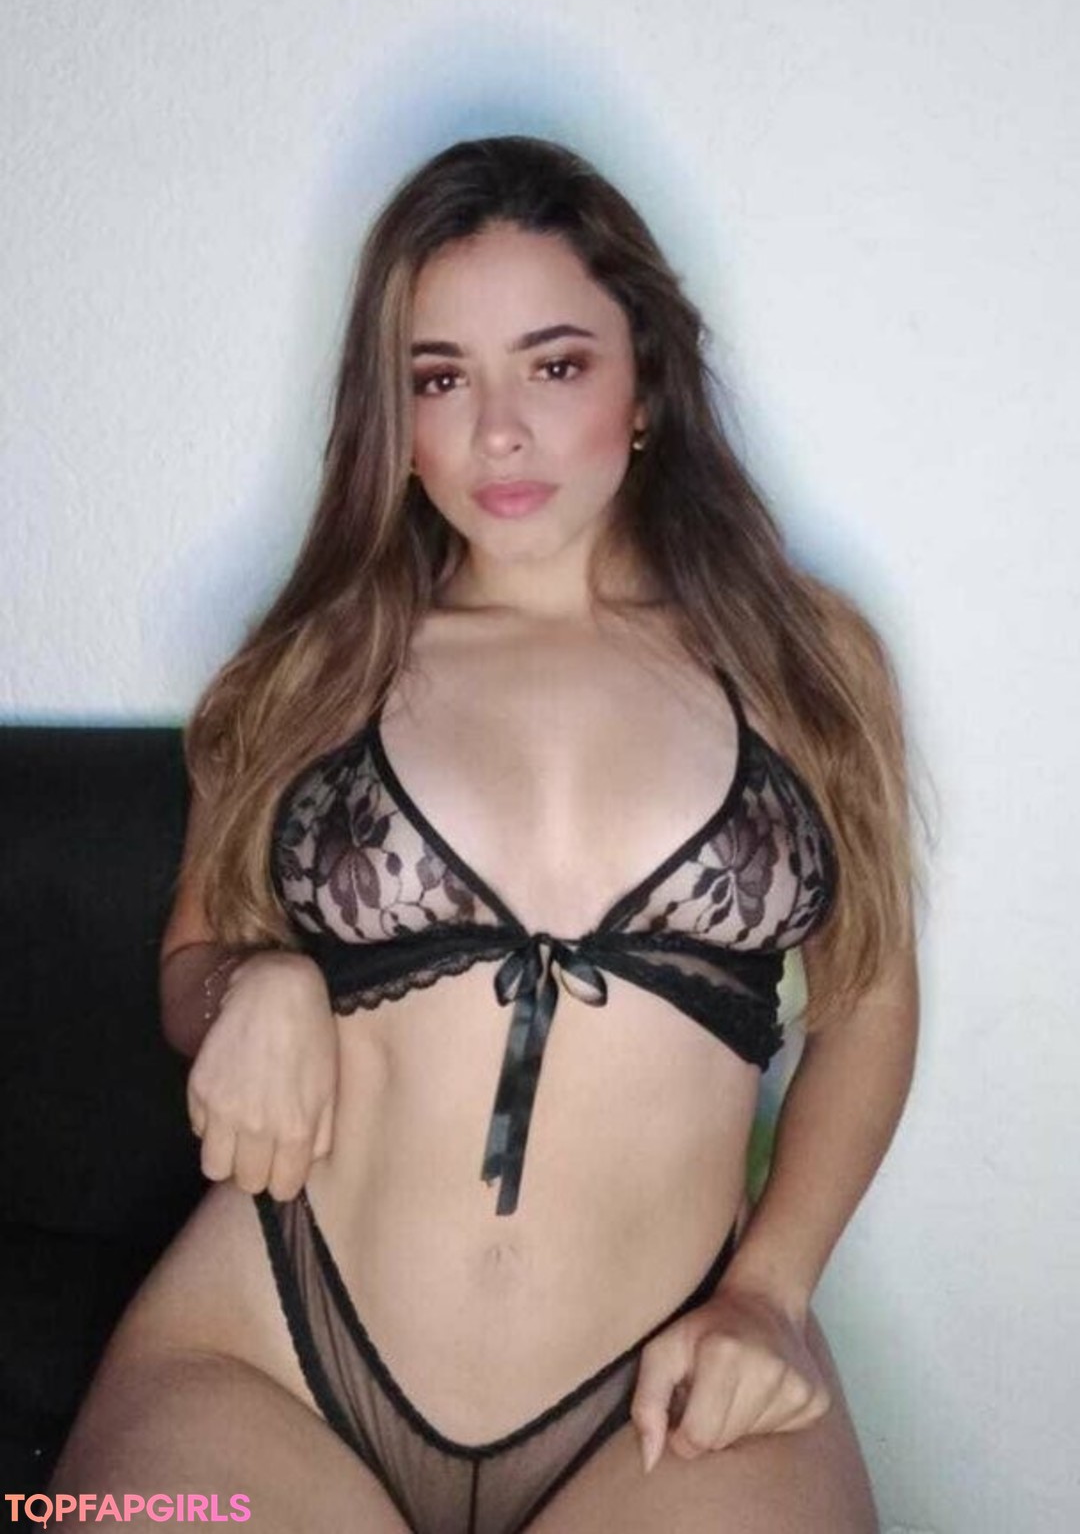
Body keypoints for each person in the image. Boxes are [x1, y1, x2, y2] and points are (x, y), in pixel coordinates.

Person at [54, 135, 919, 1533]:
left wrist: (770, 1293)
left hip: (668, 1395)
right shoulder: (309, 663)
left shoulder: (804, 656)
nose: (498, 433)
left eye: (555, 366)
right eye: (441, 378)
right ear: (390, 414)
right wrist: (251, 985)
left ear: (648, 381)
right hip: (270, 1356)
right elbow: (191, 963)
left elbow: (867, 1003)